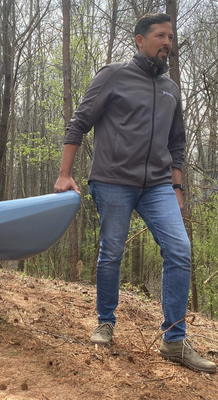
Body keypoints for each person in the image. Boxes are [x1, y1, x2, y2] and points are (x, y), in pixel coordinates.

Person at [54, 13, 216, 374]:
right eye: (161, 36)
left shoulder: (171, 87)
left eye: (171, 37)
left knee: (179, 251)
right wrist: (65, 174)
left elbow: (177, 142)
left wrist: (177, 186)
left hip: (158, 186)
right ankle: (105, 322)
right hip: (112, 181)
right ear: (140, 39)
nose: (168, 43)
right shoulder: (113, 75)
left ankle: (174, 340)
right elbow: (79, 122)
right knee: (111, 252)